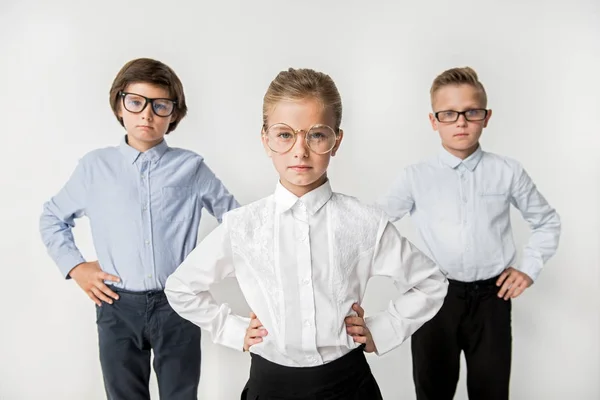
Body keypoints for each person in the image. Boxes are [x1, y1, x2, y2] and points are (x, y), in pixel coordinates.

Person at [165, 67, 448, 400]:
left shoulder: (365, 222)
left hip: (347, 384)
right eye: (285, 134)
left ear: (335, 141)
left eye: (316, 134)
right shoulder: (242, 226)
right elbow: (181, 287)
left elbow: (431, 282)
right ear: (266, 140)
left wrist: (382, 329)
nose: (300, 150)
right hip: (269, 385)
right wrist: (232, 329)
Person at [39, 58, 239, 399]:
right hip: (116, 305)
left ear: (174, 113)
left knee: (181, 393)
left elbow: (236, 222)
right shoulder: (94, 167)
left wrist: (205, 272)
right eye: (136, 102)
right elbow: (52, 217)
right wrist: (76, 267)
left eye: (160, 106)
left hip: (177, 305)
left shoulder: (190, 168)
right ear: (120, 104)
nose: (147, 115)